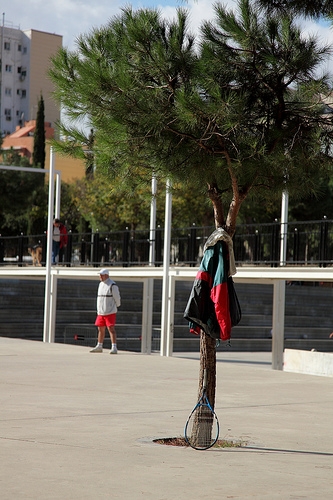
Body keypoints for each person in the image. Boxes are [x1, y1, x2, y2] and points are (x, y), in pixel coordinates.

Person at [90, 268, 121, 354]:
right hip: (101, 311)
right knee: (100, 328)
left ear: (106, 275)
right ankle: (99, 345)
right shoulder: (100, 284)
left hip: (110, 311)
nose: (100, 276)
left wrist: (116, 306)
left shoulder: (112, 285)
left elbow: (117, 298)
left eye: (102, 275)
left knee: (111, 328)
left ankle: (114, 346)